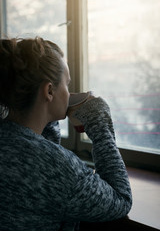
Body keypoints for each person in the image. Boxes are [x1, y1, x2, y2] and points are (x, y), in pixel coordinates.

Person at [0, 37, 132, 231]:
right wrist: (100, 123)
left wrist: (48, 116)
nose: (69, 94)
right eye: (67, 85)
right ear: (49, 91)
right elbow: (120, 200)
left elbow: (36, 150)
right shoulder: (56, 166)